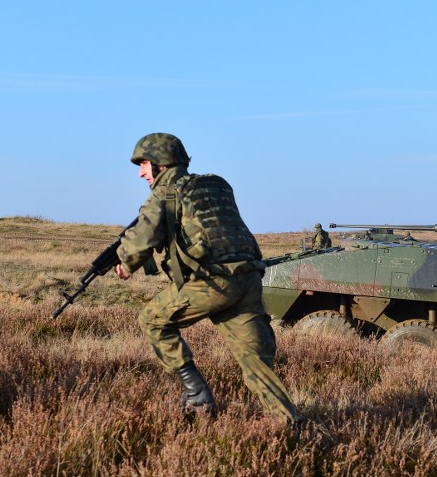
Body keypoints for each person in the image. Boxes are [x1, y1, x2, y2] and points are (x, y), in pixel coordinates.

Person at [113, 132, 301, 424]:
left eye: (144, 164)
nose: (140, 173)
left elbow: (143, 238)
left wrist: (125, 264)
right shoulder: (216, 186)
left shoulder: (163, 194)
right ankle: (290, 427)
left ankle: (196, 392)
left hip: (212, 283)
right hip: (248, 279)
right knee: (256, 363)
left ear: (161, 164)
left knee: (152, 319)